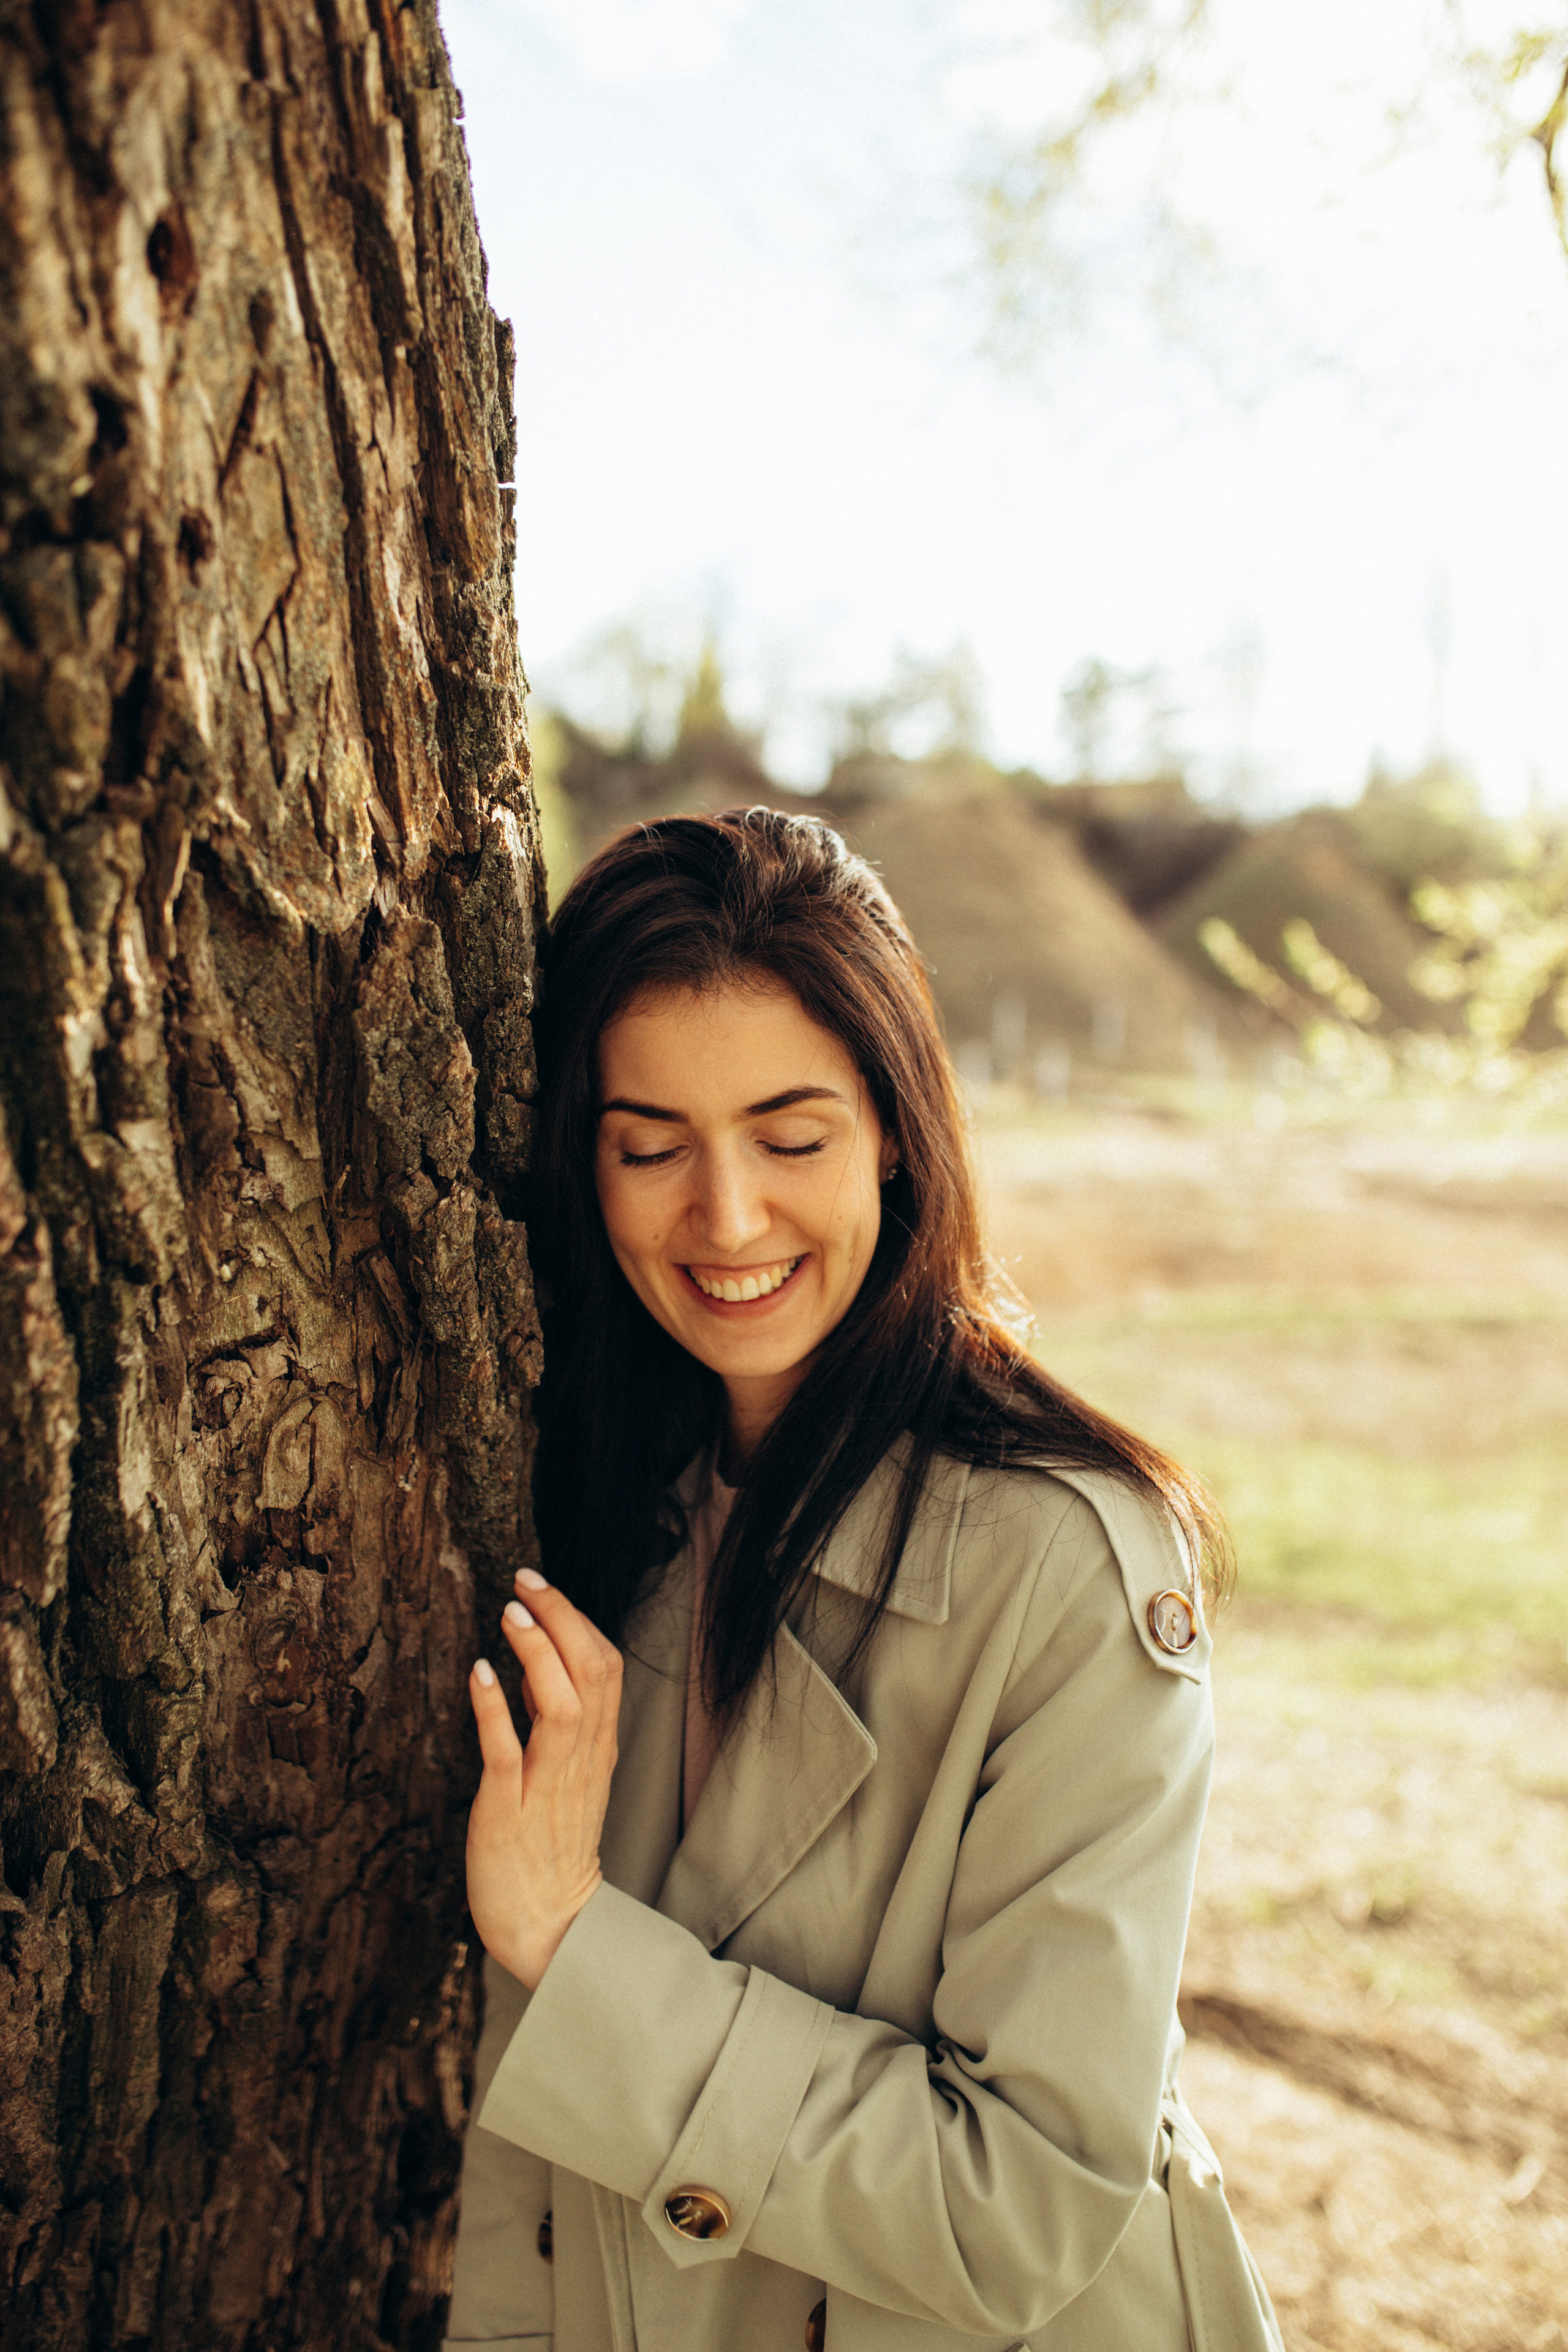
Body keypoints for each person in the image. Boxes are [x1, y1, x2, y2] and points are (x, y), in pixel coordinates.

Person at [442, 808, 1282, 2352]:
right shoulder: (592, 1511)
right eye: (649, 1149)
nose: (728, 1218)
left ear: (894, 1130)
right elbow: (539, 2195)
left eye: (790, 1136)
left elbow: (1021, 2199)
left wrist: (575, 1946)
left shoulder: (1066, 1567)